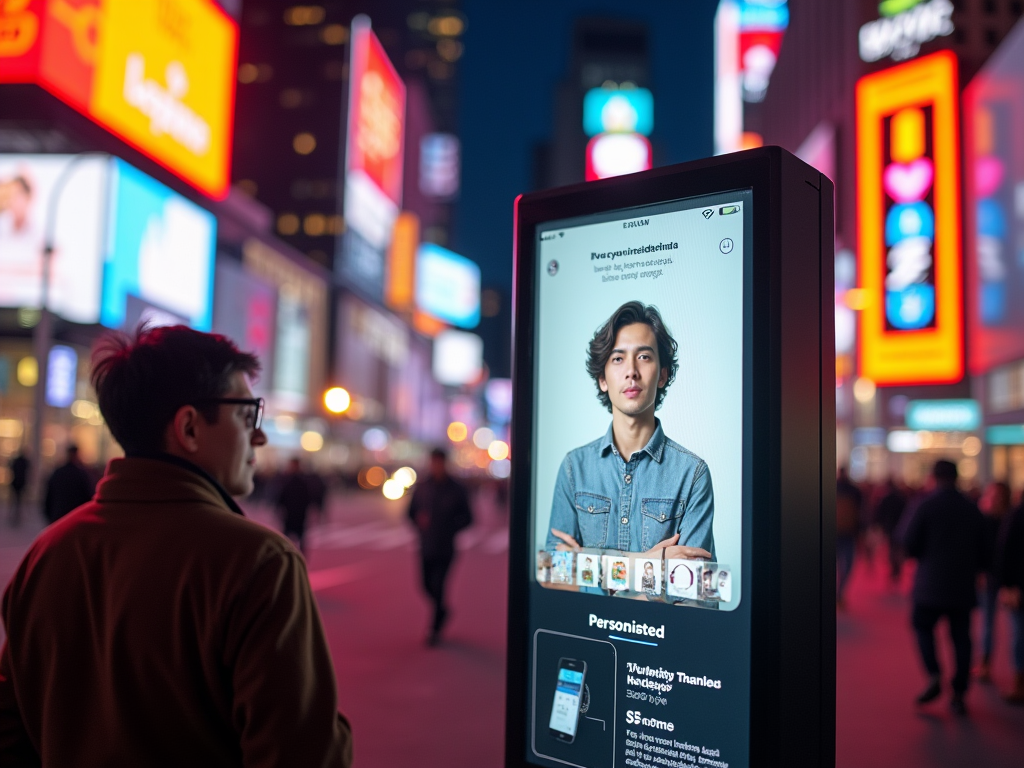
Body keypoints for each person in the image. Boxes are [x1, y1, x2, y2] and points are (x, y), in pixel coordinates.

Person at [0, 325, 352, 766]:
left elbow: (10, 735)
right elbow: (301, 754)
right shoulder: (258, 562)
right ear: (188, 427)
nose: (258, 438)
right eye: (247, 417)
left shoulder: (48, 552)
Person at [546, 301, 714, 569]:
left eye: (644, 357)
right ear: (603, 379)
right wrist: (647, 564)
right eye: (618, 358)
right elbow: (555, 574)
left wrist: (588, 567)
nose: (631, 371)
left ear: (662, 375)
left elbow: (692, 592)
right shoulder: (573, 468)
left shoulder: (692, 474)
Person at [902, 459, 988, 716]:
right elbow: (986, 548)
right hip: (962, 585)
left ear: (934, 476)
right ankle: (960, 691)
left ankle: (934, 673)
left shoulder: (925, 505)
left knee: (922, 627)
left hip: (930, 583)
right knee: (961, 637)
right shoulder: (971, 508)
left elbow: (908, 542)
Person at [407, 447, 472, 646]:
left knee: (439, 586)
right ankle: (442, 610)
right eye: (433, 462)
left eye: (439, 462)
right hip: (426, 545)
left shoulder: (456, 488)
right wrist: (419, 522)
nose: (436, 466)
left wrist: (450, 527)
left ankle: (434, 629)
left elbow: (468, 518)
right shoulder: (423, 486)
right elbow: (410, 512)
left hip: (446, 547)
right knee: (425, 584)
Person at [977, 481, 1011, 682]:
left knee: (1016, 626)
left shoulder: (1012, 518)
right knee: (987, 623)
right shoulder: (984, 518)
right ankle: (985, 662)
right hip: (990, 577)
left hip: (1009, 578)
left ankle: (1017, 672)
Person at [997, 498, 1024, 704]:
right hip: (1019, 586)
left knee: (1019, 635)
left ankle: (1019, 683)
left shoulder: (1017, 512)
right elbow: (1007, 550)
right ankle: (1019, 682)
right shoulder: (1017, 513)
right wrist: (1008, 585)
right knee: (1019, 635)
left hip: (1018, 585)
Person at [42, 444, 95, 524]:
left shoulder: (58, 472)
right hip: (74, 517)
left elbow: (49, 495)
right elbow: (87, 497)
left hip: (58, 516)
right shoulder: (81, 474)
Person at [836, 466, 863, 609]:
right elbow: (862, 513)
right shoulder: (855, 490)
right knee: (847, 566)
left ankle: (839, 594)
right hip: (847, 534)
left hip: (842, 534)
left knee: (844, 566)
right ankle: (839, 594)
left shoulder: (852, 490)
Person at [276, 457, 312, 556]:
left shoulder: (303, 480)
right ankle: (286, 557)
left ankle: (300, 558)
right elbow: (281, 495)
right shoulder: (286, 478)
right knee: (286, 537)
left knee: (300, 537)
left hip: (299, 513)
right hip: (289, 512)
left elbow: (308, 497)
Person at [874, 478, 907, 583]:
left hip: (890, 527)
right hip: (899, 527)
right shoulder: (901, 498)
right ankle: (897, 569)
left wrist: (880, 524)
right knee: (897, 549)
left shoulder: (886, 498)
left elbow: (880, 513)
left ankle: (894, 568)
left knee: (892, 548)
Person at [7, 451, 28, 527]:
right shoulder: (25, 462)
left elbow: (11, 468)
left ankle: (12, 515)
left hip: (15, 482)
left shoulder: (16, 461)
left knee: (14, 500)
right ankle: (16, 515)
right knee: (18, 501)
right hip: (21, 483)